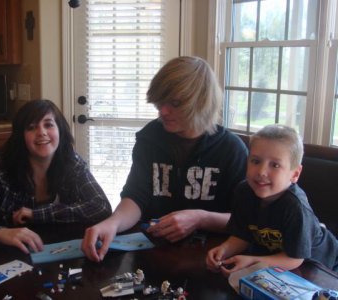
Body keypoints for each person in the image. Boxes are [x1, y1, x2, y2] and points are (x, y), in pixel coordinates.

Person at [82, 56, 248, 262]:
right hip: (152, 254)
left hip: (211, 257)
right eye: (160, 102)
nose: (162, 111)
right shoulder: (149, 138)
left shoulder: (232, 150)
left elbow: (246, 220)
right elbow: (136, 197)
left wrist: (199, 219)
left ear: (201, 102)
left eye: (175, 103)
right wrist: (112, 223)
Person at [0, 99, 112, 254]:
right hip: (7, 254)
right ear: (21, 136)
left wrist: (36, 214)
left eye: (48, 125)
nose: (41, 132)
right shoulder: (2, 170)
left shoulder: (72, 163)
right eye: (31, 127)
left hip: (59, 252)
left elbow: (101, 207)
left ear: (60, 130)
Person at [206, 124, 338, 275]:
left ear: (295, 174)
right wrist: (224, 250)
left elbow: (294, 259)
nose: (262, 172)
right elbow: (242, 235)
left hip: (320, 265)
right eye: (256, 161)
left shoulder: (294, 206)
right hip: (276, 259)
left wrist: (253, 262)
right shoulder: (243, 192)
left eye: (275, 165)